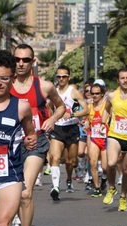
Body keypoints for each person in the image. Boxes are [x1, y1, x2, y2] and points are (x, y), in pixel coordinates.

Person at [11, 44, 66, 226]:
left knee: (25, 193)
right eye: (17, 59)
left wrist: (51, 120)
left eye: (26, 60)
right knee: (13, 196)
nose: (21, 63)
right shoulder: (4, 85)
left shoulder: (43, 86)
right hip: (11, 146)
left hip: (37, 143)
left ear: (33, 62)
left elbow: (61, 107)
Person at [0, 50, 37, 226]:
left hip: (10, 174)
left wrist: (30, 140)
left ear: (13, 79)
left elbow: (31, 131)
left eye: (4, 78)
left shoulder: (21, 107)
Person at [49, 65, 89, 200]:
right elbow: (49, 107)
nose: (61, 79)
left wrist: (72, 115)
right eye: (59, 76)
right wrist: (51, 119)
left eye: (64, 76)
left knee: (70, 161)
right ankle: (55, 186)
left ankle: (69, 179)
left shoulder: (74, 92)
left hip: (71, 129)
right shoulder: (53, 91)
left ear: (68, 77)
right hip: (58, 128)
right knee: (55, 157)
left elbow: (86, 110)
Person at [100, 68, 127, 211]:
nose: (125, 80)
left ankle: (123, 197)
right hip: (115, 134)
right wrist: (104, 123)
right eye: (122, 78)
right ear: (118, 80)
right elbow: (107, 109)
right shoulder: (111, 96)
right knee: (111, 162)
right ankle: (111, 187)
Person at [85, 82, 108, 197]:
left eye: (97, 93)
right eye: (92, 93)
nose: (94, 96)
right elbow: (86, 120)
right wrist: (85, 123)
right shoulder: (89, 107)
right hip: (94, 137)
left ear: (102, 94)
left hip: (105, 139)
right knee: (93, 163)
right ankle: (97, 187)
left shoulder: (107, 106)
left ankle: (104, 178)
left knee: (105, 166)